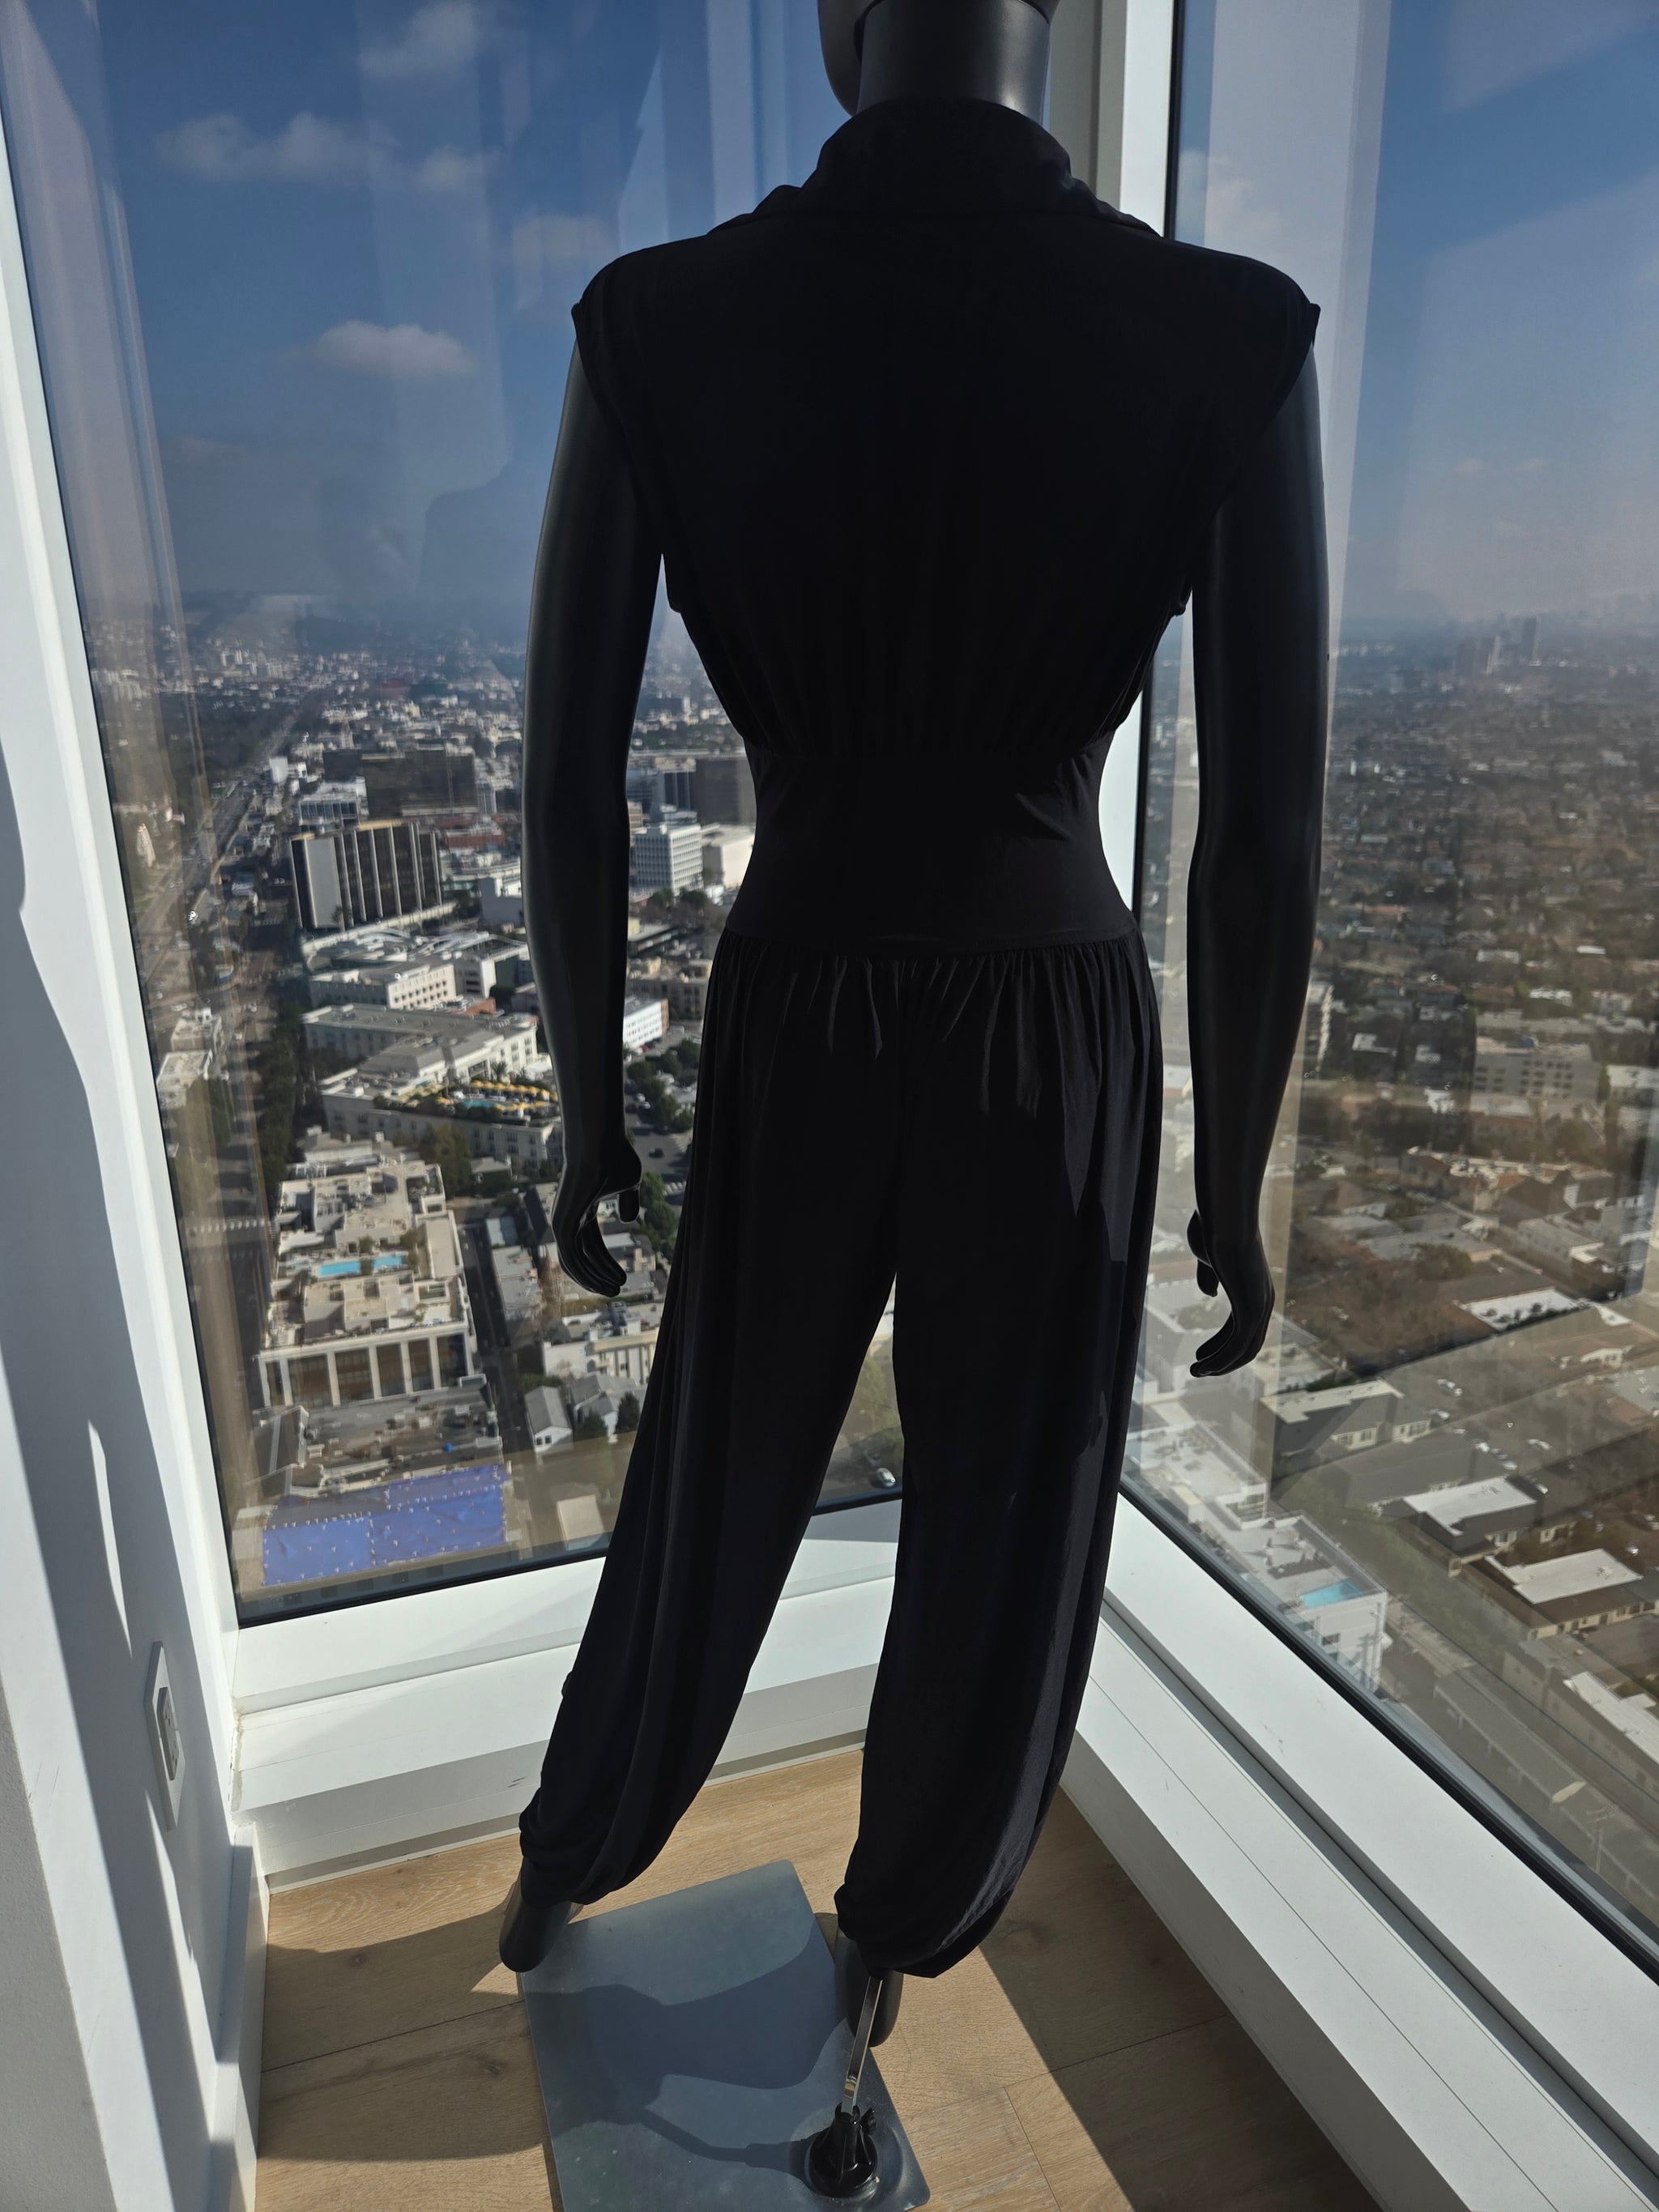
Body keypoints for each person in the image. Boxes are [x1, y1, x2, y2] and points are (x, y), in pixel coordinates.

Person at [501, 0, 1328, 2034]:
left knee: (713, 1478)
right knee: (1004, 1512)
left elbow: (564, 779)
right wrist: (1234, 1177)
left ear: (834, 20)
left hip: (799, 992)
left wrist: (592, 1110)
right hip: (1057, 1018)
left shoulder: (656, 321)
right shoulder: (1228, 331)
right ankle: (895, 1931)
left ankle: (563, 1855)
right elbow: (1260, 832)